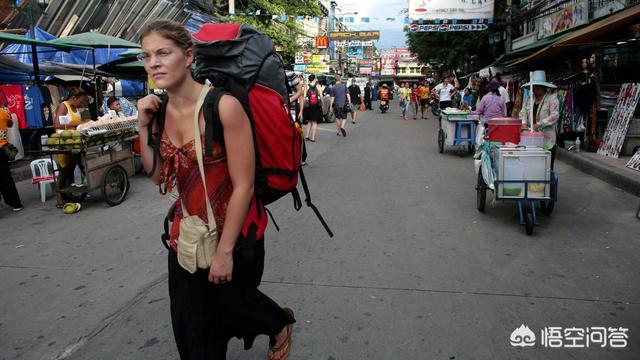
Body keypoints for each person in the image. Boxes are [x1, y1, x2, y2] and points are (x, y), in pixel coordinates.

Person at [136, 20, 295, 359]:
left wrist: (223, 253)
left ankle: (278, 323)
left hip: (234, 238)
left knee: (231, 311)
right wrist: (142, 126)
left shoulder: (223, 107)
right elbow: (155, 176)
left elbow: (244, 185)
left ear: (189, 55)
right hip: (186, 236)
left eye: (164, 53)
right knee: (193, 336)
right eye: (147, 55)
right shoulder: (159, 111)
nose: (154, 63)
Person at [54, 87, 89, 208]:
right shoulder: (64, 106)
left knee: (74, 166)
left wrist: (84, 122)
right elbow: (58, 124)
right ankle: (59, 197)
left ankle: (71, 194)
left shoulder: (75, 108)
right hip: (65, 142)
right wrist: (78, 123)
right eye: (80, 101)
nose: (81, 103)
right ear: (73, 98)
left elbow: (75, 123)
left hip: (75, 142)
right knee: (64, 170)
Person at [519, 70, 560, 169]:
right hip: (531, 139)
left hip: (547, 140)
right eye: (534, 88)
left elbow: (555, 116)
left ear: (543, 88)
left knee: (546, 169)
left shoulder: (552, 99)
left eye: (537, 87)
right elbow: (523, 112)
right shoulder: (530, 99)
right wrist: (524, 123)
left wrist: (540, 124)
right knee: (532, 167)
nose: (534, 90)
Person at [0, 106, 23, 212]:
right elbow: (10, 124)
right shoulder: (4, 111)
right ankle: (16, 203)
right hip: (2, 149)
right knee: (6, 178)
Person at [300, 74, 324, 142]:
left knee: (310, 120)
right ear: (314, 79)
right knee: (315, 122)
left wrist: (304, 105)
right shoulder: (318, 86)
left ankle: (307, 136)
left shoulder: (306, 86)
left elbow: (304, 96)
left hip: (309, 106)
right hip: (316, 106)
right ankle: (312, 138)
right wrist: (322, 104)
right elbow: (321, 96)